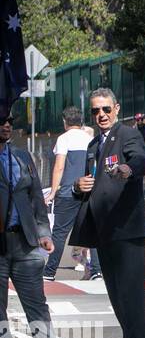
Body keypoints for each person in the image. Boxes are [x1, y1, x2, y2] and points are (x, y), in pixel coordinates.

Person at [70, 88, 145, 338]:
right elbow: (89, 181)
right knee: (116, 294)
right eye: (95, 111)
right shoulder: (95, 144)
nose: (101, 115)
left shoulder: (128, 134)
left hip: (126, 226)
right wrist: (77, 187)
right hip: (103, 228)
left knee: (130, 292)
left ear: (116, 108)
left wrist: (129, 169)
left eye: (106, 109)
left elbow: (142, 160)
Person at [0, 109, 87, 338]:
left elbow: (36, 196)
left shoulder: (22, 156)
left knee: (36, 303)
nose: (6, 126)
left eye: (9, 122)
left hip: (24, 239)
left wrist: (43, 232)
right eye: (0, 121)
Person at [43, 106, 99, 282]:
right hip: (89, 191)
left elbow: (59, 166)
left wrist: (52, 192)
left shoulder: (63, 139)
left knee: (59, 233)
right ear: (81, 121)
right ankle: (96, 271)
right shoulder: (91, 138)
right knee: (91, 232)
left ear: (64, 121)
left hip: (68, 192)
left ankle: (49, 272)